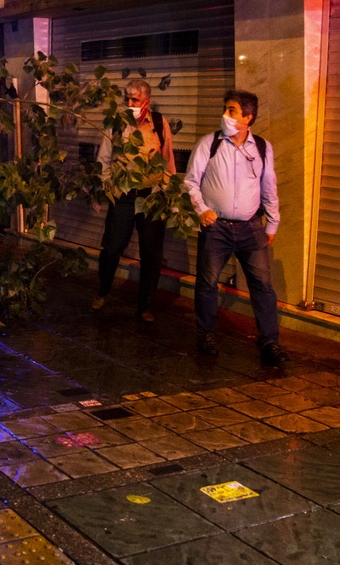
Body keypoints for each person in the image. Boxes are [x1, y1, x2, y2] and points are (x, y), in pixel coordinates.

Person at [184, 89, 289, 366]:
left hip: (251, 228)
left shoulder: (263, 148)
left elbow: (269, 187)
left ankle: (269, 341)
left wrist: (273, 223)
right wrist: (201, 209)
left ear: (248, 117)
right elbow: (190, 182)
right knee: (207, 283)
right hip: (216, 227)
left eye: (231, 110)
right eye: (226, 109)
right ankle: (206, 334)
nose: (225, 115)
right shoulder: (209, 144)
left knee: (263, 286)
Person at [91, 79, 176, 323]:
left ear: (146, 101)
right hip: (124, 196)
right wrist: (104, 189)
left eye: (134, 100)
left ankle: (146, 306)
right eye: (126, 98)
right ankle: (103, 291)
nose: (129, 103)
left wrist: (168, 192)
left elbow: (167, 160)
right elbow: (104, 159)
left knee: (151, 253)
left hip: (151, 196)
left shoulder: (159, 123)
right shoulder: (117, 124)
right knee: (112, 247)